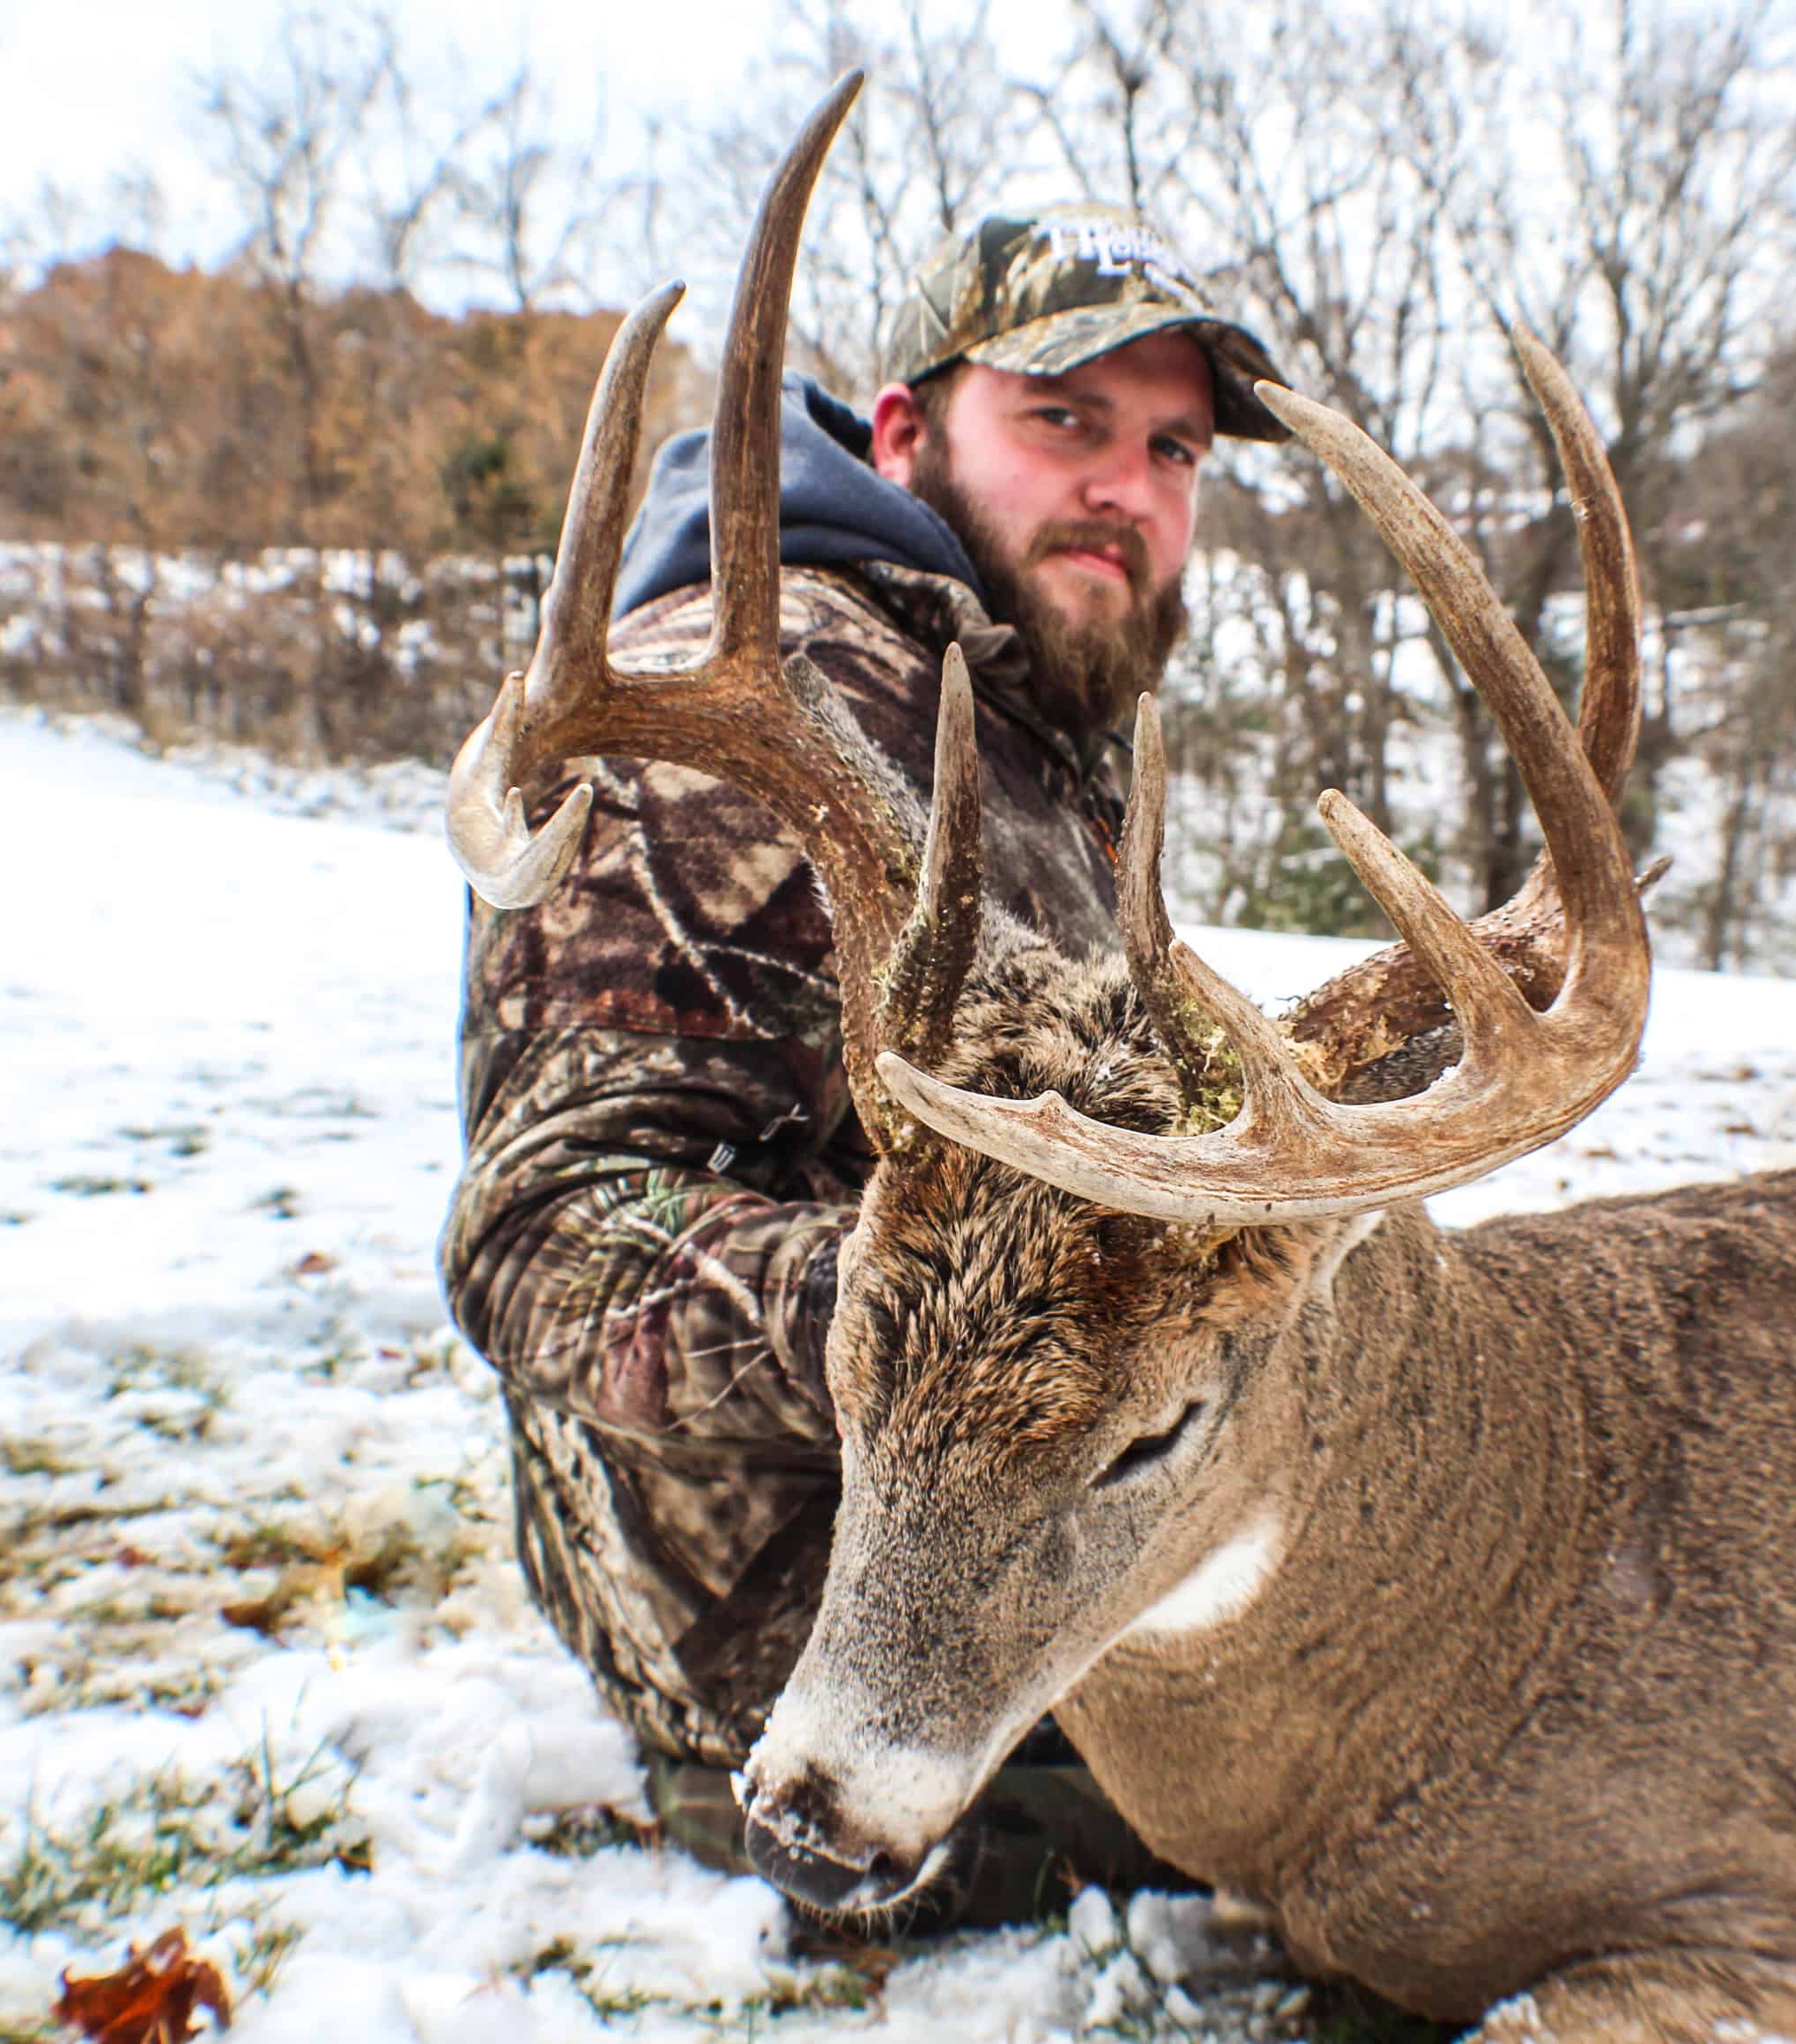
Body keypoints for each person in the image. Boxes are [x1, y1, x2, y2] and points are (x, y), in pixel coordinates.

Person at [438, 204, 1287, 1921]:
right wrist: (1000, 1339)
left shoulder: (1030, 730)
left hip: (1045, 1542)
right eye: (1064, 420)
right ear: (904, 433)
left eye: (1172, 445)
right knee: (1476, 1762)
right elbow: (541, 1239)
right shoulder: (762, 704)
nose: (1125, 486)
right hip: (816, 1632)